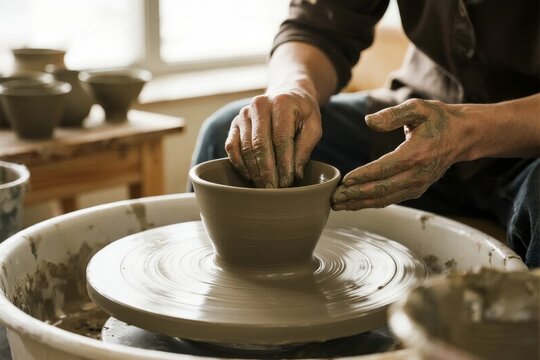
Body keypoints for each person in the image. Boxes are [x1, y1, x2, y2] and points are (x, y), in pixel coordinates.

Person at [191, 0, 539, 267]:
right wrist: (294, 87)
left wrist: (469, 130)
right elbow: (319, 26)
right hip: (420, 117)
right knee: (231, 138)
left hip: (527, 143)